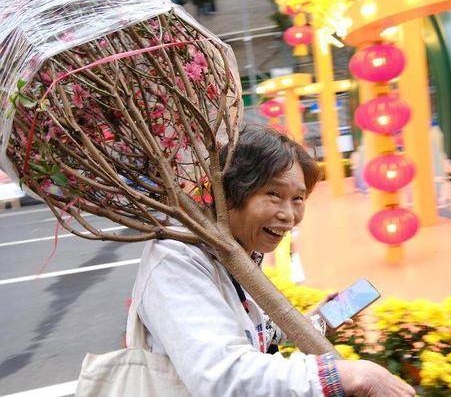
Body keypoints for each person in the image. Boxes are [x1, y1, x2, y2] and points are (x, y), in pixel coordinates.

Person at [128, 126, 415, 397]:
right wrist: (348, 376)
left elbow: (254, 334)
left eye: (298, 198)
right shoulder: (176, 259)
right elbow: (222, 377)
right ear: (229, 193)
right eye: (274, 195)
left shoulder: (241, 252)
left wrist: (316, 321)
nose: (288, 215)